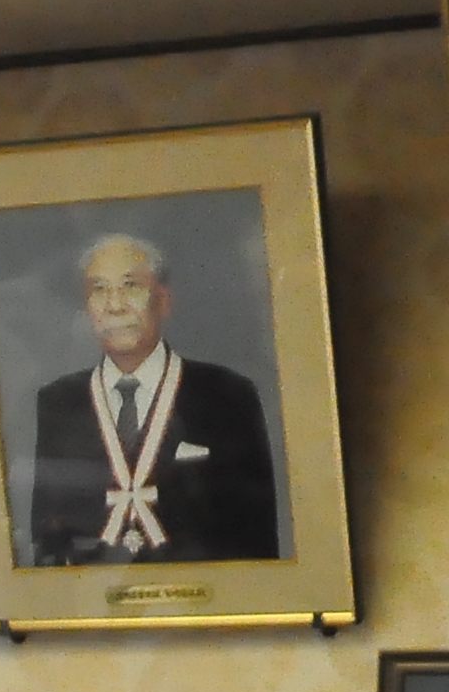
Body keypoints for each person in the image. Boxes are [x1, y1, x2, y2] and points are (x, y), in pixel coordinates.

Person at [21, 232, 280, 562]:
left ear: (163, 299)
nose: (115, 306)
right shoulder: (58, 403)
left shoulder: (226, 395)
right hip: (96, 590)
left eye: (131, 286)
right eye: (99, 290)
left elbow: (256, 534)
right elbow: (47, 538)